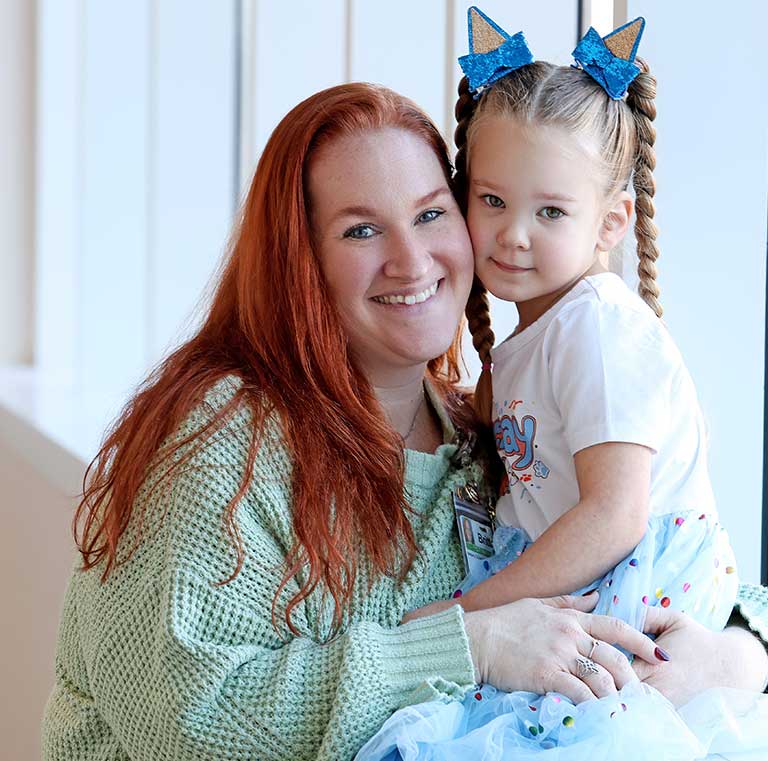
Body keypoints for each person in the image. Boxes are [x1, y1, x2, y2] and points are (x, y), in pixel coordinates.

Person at [41, 82, 768, 761]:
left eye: (430, 215)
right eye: (361, 231)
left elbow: (666, 558)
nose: (412, 260)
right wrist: (471, 645)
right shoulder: (222, 441)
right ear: (300, 261)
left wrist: (735, 657)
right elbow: (184, 720)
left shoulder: (486, 436)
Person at [362, 10, 767, 759]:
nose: (514, 233)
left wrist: (465, 614)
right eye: (493, 201)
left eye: (550, 211)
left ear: (610, 223)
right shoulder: (538, 338)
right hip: (584, 586)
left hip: (633, 596)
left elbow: (614, 516)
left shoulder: (596, 329)